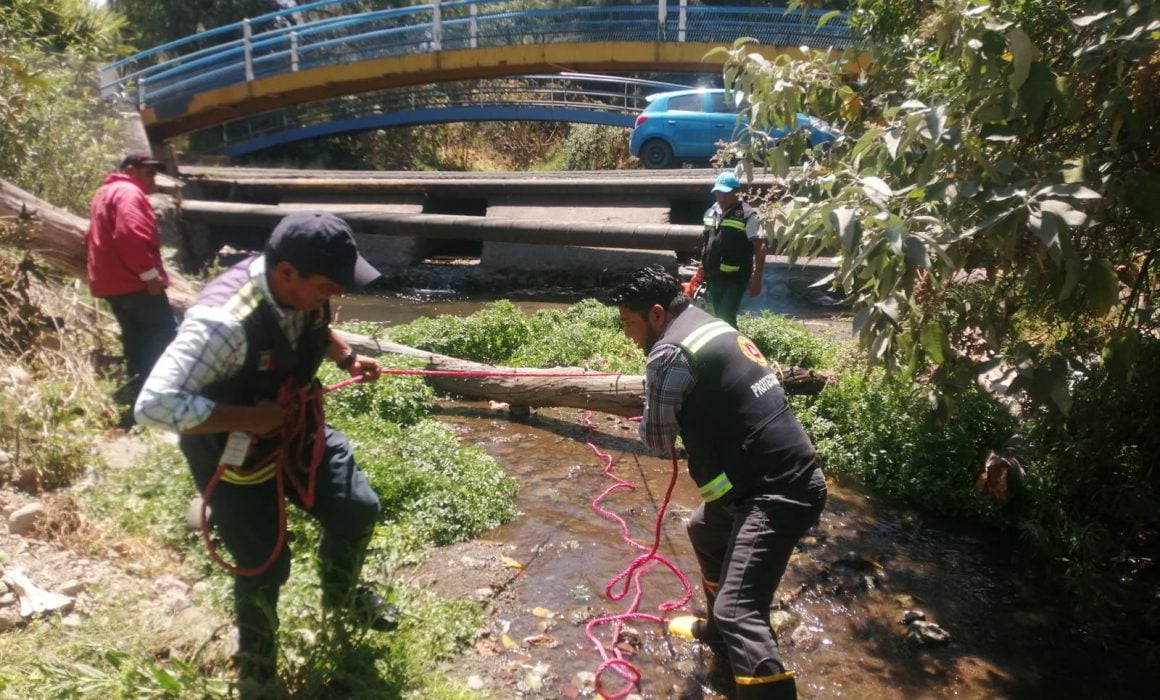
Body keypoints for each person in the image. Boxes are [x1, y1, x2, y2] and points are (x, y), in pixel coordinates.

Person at [134, 210, 393, 693]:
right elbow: (154, 405)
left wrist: (346, 357)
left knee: (357, 508)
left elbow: (310, 323)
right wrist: (248, 419)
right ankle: (257, 669)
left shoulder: (301, 289)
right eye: (328, 286)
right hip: (231, 451)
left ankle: (343, 600)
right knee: (263, 564)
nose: (335, 295)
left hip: (295, 425)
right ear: (286, 272)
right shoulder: (222, 323)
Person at [609, 266, 826, 700]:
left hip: (775, 491)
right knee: (704, 530)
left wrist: (651, 403)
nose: (628, 336)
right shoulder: (709, 323)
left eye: (629, 324)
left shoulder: (667, 354)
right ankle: (718, 636)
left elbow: (657, 439)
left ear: (656, 314)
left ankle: (750, 662)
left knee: (738, 610)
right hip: (773, 473)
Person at [85, 152, 178, 408]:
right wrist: (150, 275)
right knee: (163, 336)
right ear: (130, 170)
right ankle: (164, 398)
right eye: (148, 173)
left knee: (135, 338)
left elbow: (91, 235)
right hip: (135, 281)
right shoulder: (129, 193)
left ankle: (139, 395)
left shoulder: (104, 193)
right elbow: (130, 236)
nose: (152, 179)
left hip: (111, 284)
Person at [698, 171, 766, 328]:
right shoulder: (711, 212)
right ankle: (731, 341)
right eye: (718, 194)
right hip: (714, 275)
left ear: (737, 193)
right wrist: (701, 268)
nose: (721, 198)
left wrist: (756, 280)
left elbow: (760, 247)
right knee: (718, 316)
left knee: (725, 317)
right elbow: (707, 242)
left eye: (726, 194)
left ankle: (731, 342)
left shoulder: (748, 215)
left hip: (736, 277)